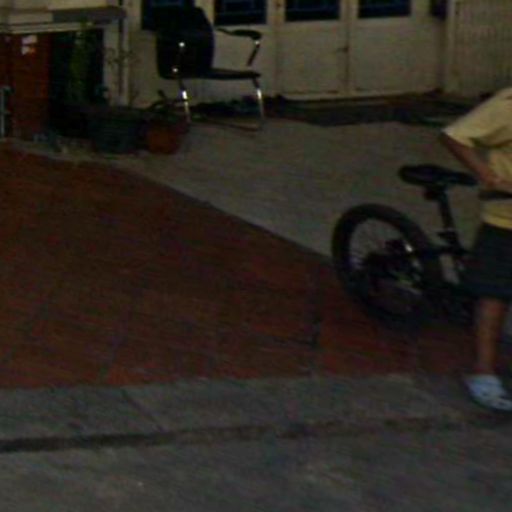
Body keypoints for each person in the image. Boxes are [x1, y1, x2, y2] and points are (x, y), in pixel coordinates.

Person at [441, 87, 512, 412]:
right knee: (495, 294)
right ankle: (483, 372)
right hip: (506, 220)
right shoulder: (508, 105)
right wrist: (491, 178)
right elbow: (455, 137)